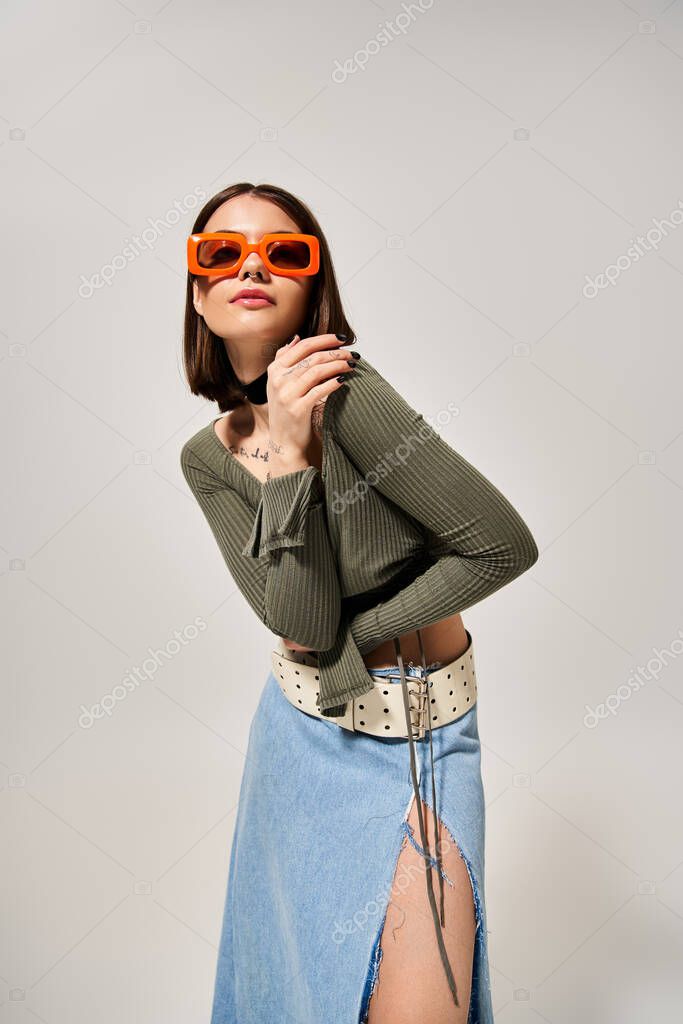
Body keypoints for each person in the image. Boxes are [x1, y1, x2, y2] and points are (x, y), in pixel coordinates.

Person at [180, 181, 538, 1024]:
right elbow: (297, 627)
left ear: (314, 283)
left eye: (285, 252)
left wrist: (357, 637)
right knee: (294, 992)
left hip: (417, 737)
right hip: (297, 749)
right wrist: (294, 461)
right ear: (197, 291)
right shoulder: (209, 456)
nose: (253, 267)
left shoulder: (349, 394)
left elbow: (500, 545)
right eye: (222, 254)